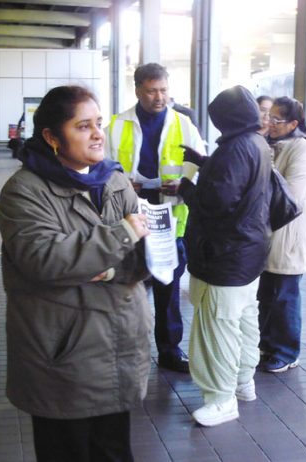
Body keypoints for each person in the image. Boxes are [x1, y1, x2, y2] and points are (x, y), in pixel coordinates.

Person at [0, 85, 152, 462]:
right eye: (83, 126)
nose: (98, 133)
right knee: (68, 451)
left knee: (114, 451)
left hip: (119, 345)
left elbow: (144, 258)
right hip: (64, 355)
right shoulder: (26, 191)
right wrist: (122, 234)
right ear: (51, 136)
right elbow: (44, 259)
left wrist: (107, 265)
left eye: (98, 123)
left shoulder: (114, 180)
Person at [177, 86, 272, 426]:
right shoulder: (256, 143)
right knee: (244, 321)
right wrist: (205, 162)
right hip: (249, 252)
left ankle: (221, 399)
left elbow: (216, 203)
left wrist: (185, 188)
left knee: (217, 329)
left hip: (225, 255)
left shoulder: (234, 149)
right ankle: (244, 383)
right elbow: (238, 181)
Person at [105, 62, 206, 373]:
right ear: (138, 90)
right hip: (129, 216)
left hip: (170, 217)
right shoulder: (117, 124)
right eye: (151, 91)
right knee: (123, 284)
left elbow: (200, 167)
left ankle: (169, 350)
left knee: (168, 286)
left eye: (163, 90)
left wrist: (182, 185)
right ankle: (120, 347)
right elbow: (103, 168)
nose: (159, 97)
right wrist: (124, 185)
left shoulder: (183, 124)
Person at [258, 96, 306, 373]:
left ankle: (287, 351)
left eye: (277, 120)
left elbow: (292, 195)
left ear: (294, 123)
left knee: (285, 295)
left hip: (288, 236)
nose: (270, 123)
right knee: (267, 294)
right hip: (267, 234)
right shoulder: (267, 144)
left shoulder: (301, 148)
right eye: (269, 117)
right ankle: (267, 345)